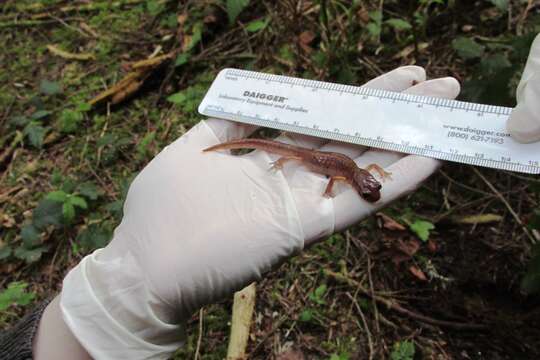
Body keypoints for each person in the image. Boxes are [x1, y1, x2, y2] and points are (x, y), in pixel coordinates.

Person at [2, 33, 539, 359]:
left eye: (368, 186)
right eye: (369, 185)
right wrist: (124, 297)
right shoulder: (345, 174)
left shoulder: (356, 176)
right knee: (291, 153)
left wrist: (111, 316)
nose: (368, 187)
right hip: (312, 159)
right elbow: (332, 170)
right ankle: (276, 155)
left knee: (306, 156)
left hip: (328, 162)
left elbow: (350, 172)